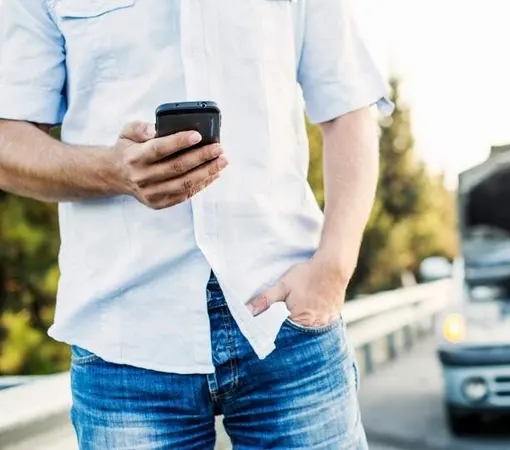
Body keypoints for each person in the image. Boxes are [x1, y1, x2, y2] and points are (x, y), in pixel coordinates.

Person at [0, 0, 392, 448]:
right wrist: (113, 171)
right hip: (122, 339)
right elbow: (7, 140)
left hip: (287, 320)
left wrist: (333, 269)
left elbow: (349, 107)